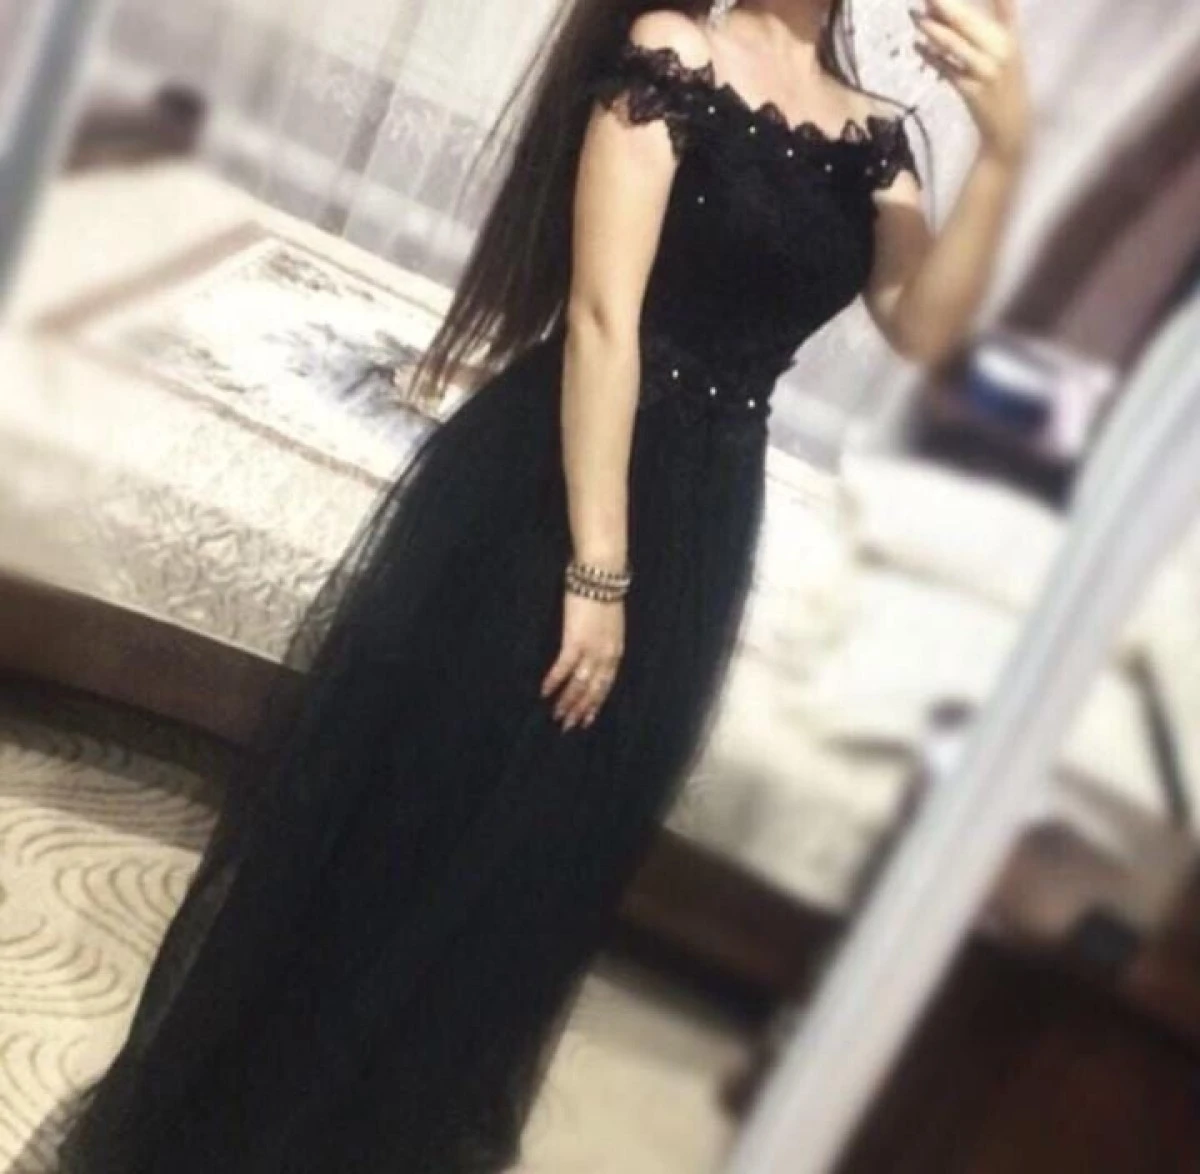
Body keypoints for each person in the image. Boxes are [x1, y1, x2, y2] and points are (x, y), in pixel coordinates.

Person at [54, 0, 1030, 1170]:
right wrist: (597, 571)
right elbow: (605, 321)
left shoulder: (875, 133)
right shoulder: (675, 52)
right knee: (418, 823)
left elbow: (923, 327)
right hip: (551, 496)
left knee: (534, 869)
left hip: (705, 518)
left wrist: (1004, 152)